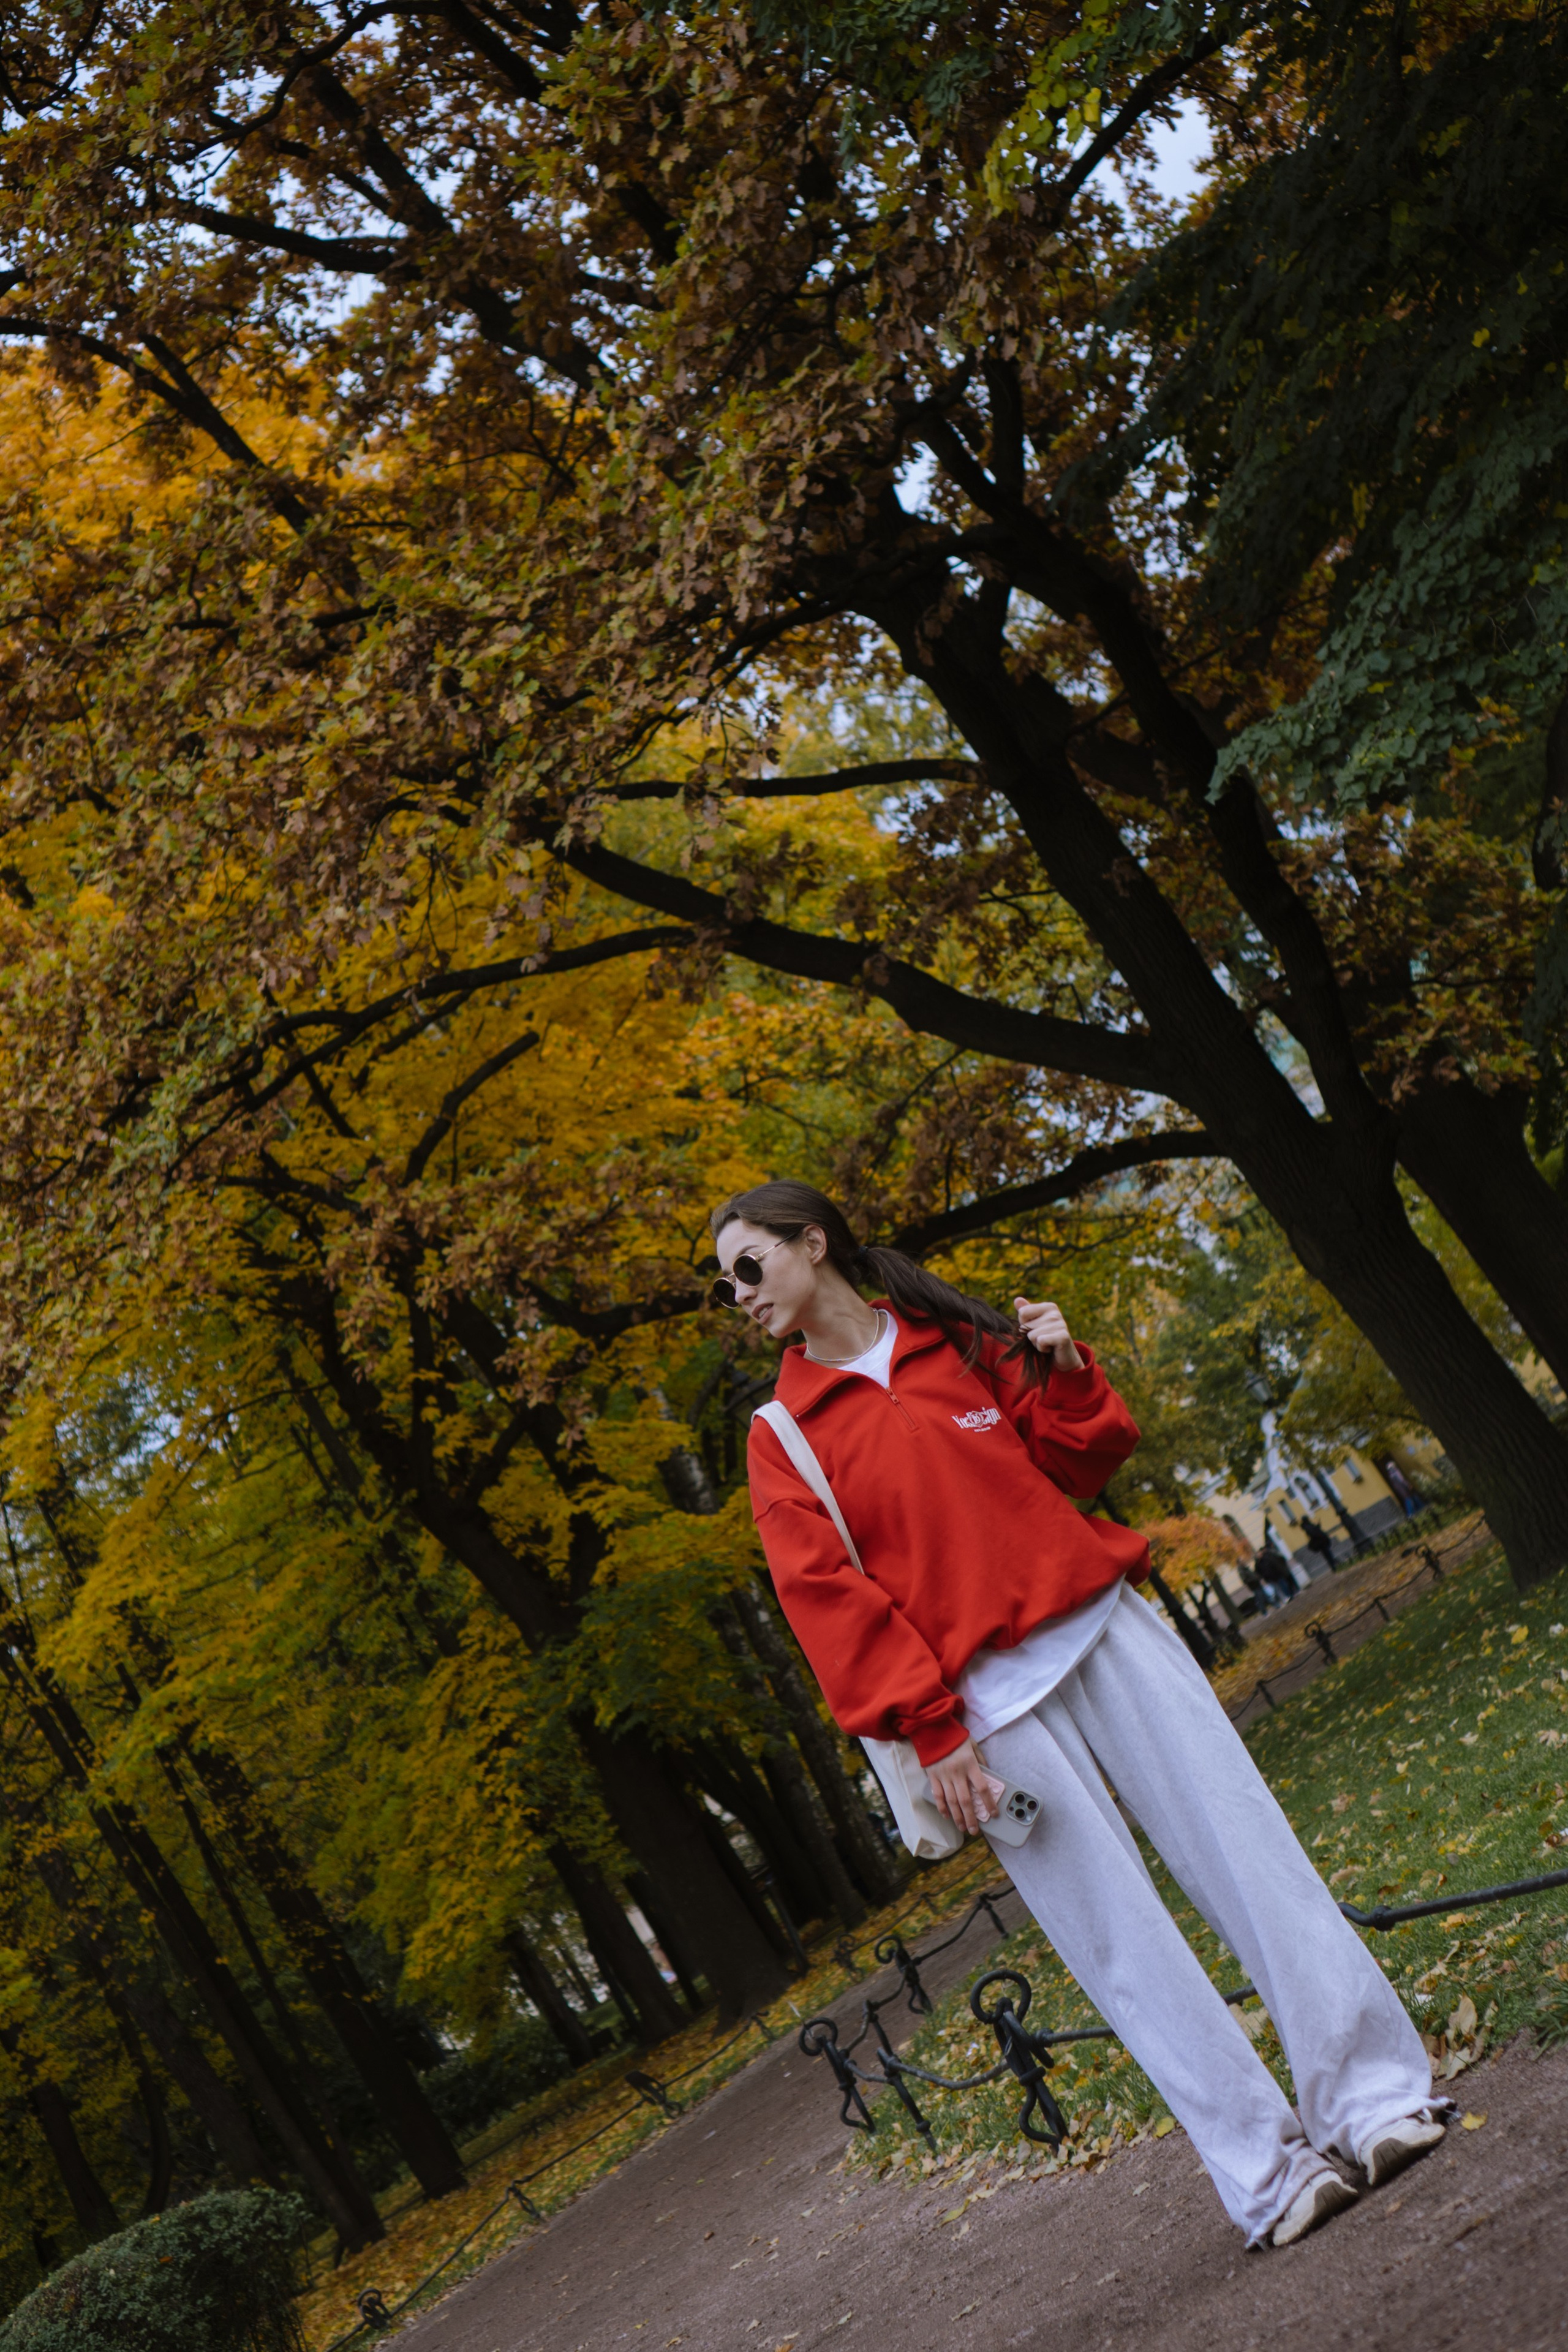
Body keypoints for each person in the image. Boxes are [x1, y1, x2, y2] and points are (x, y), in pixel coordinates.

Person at [714, 1182, 1448, 2251]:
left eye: (748, 1266)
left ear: (811, 1244)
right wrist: (934, 1733)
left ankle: (1375, 2102)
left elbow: (1078, 1458)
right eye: (721, 1282)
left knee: (1252, 1857)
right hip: (984, 1718)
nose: (736, 1295)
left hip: (1106, 1633)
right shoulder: (781, 1435)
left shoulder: (955, 1338)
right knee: (1122, 1948)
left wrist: (1065, 1368)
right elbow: (828, 1601)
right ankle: (1268, 2173)